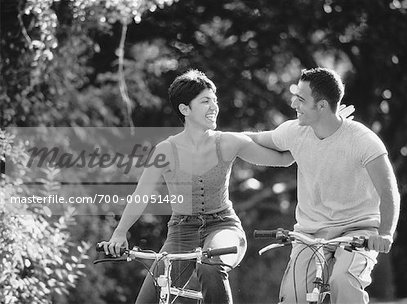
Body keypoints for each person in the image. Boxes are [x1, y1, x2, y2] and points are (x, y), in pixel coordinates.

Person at [99, 69, 295, 304]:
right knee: (149, 299)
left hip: (223, 227)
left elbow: (284, 159)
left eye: (214, 100)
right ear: (185, 109)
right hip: (181, 231)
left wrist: (315, 130)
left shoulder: (229, 142)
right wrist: (119, 233)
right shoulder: (166, 150)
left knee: (210, 264)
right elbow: (141, 195)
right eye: (205, 101)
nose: (214, 106)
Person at [246, 67, 400, 304]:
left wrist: (386, 233)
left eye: (301, 99)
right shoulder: (295, 131)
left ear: (322, 106)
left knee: (343, 281)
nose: (294, 103)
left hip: (357, 232)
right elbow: (255, 139)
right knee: (293, 297)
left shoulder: (363, 140)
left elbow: (388, 191)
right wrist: (217, 138)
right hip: (310, 233)